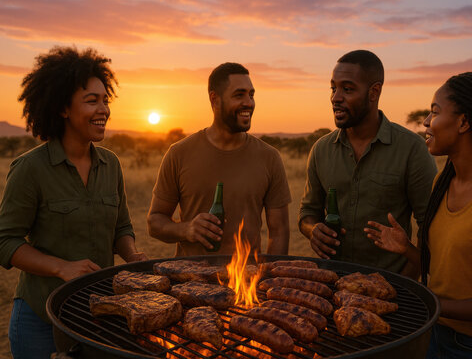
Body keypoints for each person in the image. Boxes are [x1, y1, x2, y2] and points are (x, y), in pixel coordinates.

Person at [364, 72, 472, 358]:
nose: (426, 122)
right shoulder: (443, 182)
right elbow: (446, 272)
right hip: (436, 335)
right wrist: (408, 250)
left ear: (464, 122)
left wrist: (432, 304)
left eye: (434, 112)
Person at [0, 46, 147, 359]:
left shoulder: (112, 165)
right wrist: (61, 267)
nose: (104, 109)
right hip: (39, 318)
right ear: (62, 108)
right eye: (92, 100)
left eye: (106, 100)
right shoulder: (30, 169)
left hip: (100, 313)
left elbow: (121, 225)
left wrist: (131, 253)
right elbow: (5, 241)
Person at [299, 50, 437, 275]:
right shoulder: (321, 150)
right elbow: (308, 211)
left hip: (393, 287)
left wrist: (405, 285)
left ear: (374, 92)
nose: (336, 97)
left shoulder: (412, 149)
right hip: (334, 284)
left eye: (348, 89)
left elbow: (430, 227)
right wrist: (312, 229)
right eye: (333, 88)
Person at [147, 62, 291, 256]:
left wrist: (268, 280)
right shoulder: (179, 153)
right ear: (215, 99)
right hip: (191, 283)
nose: (249, 102)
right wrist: (186, 229)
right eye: (239, 95)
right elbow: (155, 221)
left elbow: (279, 232)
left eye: (251, 94)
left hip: (244, 283)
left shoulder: (269, 157)